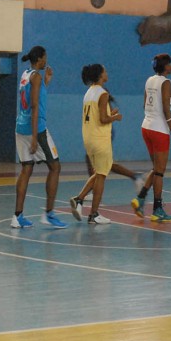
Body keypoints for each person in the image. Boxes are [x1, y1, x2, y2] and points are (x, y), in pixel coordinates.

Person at [12, 45, 67, 229]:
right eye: (45, 57)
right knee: (55, 167)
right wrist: (35, 137)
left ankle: (17, 216)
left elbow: (33, 97)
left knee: (26, 169)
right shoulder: (36, 77)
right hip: (36, 128)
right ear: (40, 59)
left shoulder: (26, 74)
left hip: (20, 127)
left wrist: (47, 81)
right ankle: (49, 214)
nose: (46, 60)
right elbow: (35, 106)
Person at [69, 64, 123, 225]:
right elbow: (103, 119)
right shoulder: (103, 93)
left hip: (89, 138)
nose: (107, 73)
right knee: (101, 176)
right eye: (105, 70)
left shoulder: (89, 92)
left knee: (99, 172)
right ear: (100, 75)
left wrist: (109, 114)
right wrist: (115, 117)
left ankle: (79, 199)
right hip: (100, 138)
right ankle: (93, 214)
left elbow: (95, 116)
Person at [132, 53, 171, 222]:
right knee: (159, 172)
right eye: (170, 64)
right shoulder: (166, 82)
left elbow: (145, 104)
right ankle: (157, 210)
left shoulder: (149, 80)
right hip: (159, 129)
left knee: (156, 167)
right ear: (166, 66)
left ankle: (140, 198)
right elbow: (167, 109)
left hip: (146, 126)